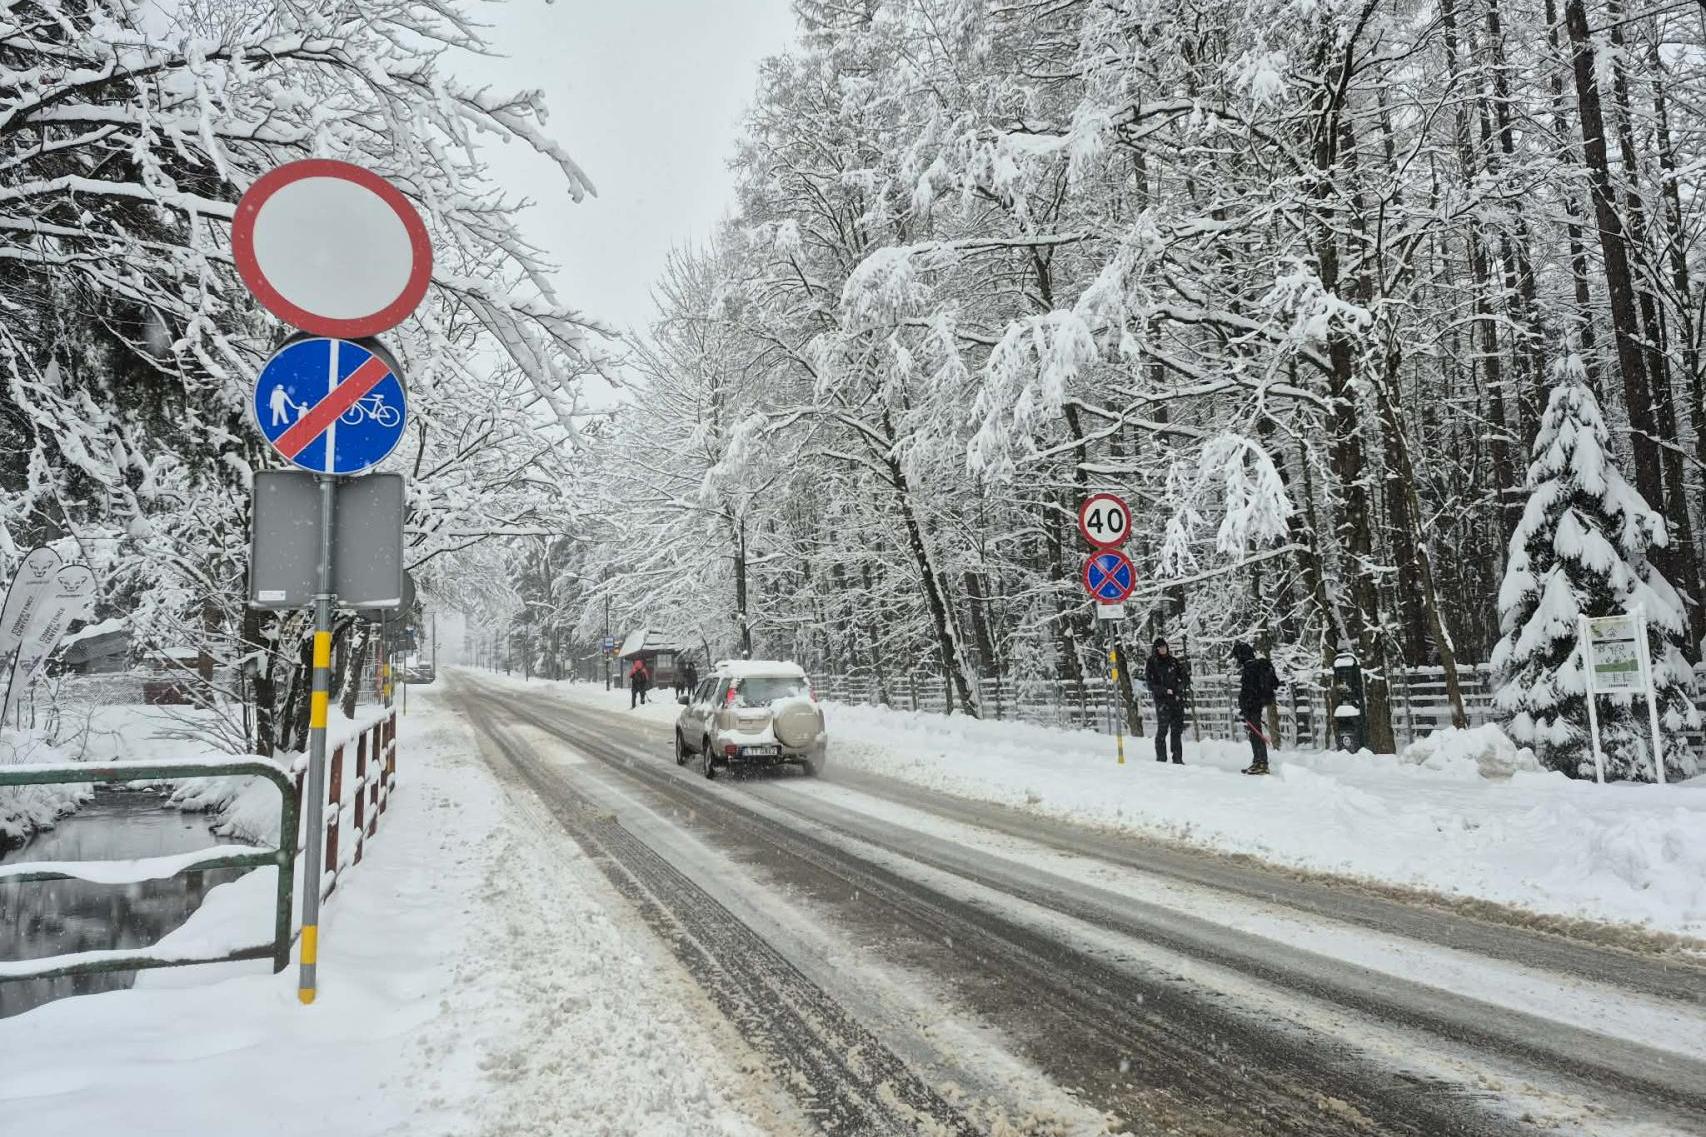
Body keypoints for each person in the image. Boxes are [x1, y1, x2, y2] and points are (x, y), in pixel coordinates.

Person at [1233, 641, 1280, 774]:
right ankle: (1258, 761)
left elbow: (1247, 691)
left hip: (1252, 706)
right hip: (1257, 704)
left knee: (1255, 733)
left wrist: (1244, 704)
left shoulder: (1249, 668)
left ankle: (1261, 763)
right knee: (1255, 732)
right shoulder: (1258, 666)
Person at [1144, 637, 1189, 764]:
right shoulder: (1152, 663)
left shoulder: (1174, 662)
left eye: (1165, 647)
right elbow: (1150, 683)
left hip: (1176, 700)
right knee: (1162, 730)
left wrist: (1179, 687)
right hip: (1162, 702)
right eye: (1160, 648)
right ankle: (1161, 758)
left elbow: (1184, 677)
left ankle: (1177, 758)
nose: (1163, 650)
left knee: (1176, 730)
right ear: (1156, 649)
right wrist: (1164, 690)